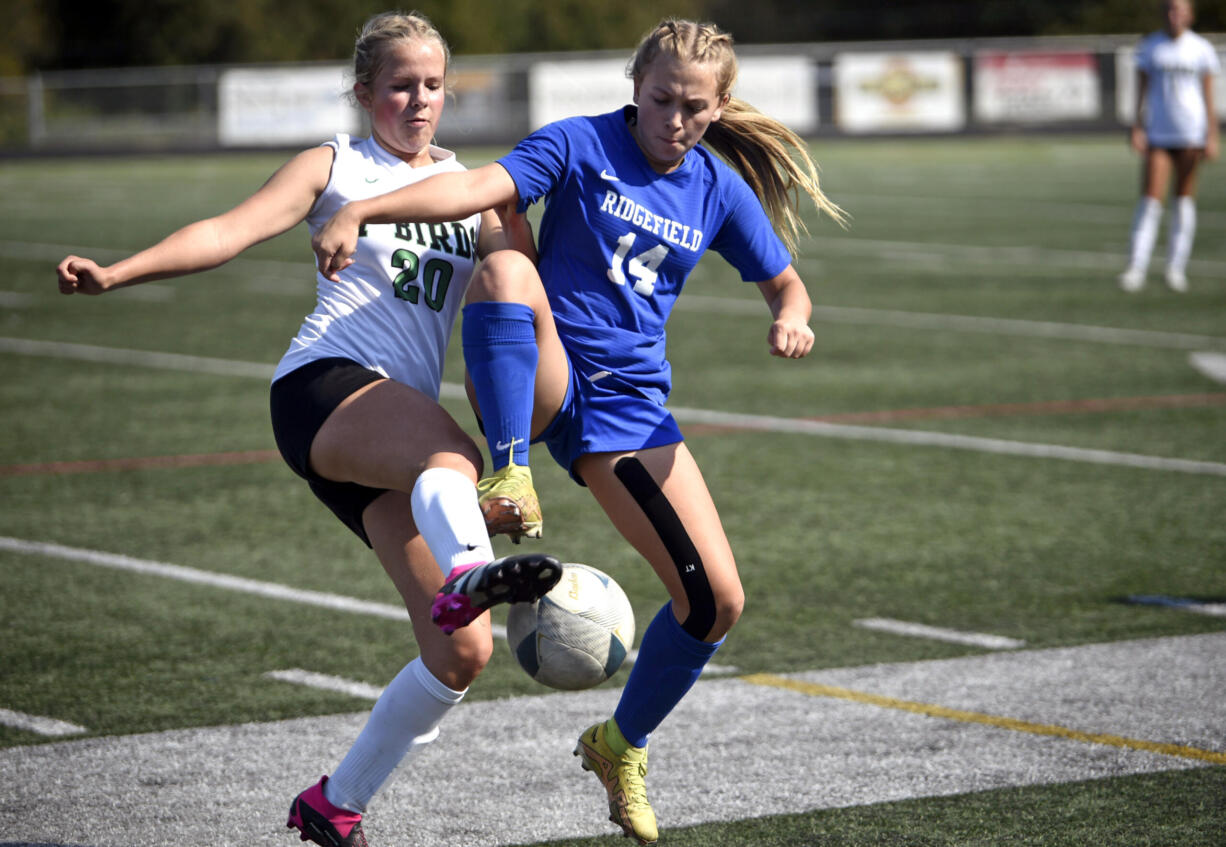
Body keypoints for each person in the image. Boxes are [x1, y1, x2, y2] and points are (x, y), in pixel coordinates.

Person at [312, 18, 844, 845]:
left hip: (638, 406)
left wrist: (792, 317)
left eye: (692, 106)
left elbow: (786, 281)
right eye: (660, 98)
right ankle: (509, 472)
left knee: (715, 602)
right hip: (552, 376)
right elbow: (473, 188)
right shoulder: (578, 144)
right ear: (635, 86)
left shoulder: (716, 186)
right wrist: (368, 210)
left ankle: (618, 745)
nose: (673, 118)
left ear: (719, 107)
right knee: (504, 268)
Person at [54, 12, 563, 847]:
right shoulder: (337, 164)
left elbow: (523, 292)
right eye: (400, 85)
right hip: (322, 389)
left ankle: (335, 802)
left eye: (433, 85)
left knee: (461, 654)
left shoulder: (471, 187)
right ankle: (473, 561)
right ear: (364, 93)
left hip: (384, 440)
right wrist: (119, 272)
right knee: (452, 457)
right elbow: (228, 229)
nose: (420, 100)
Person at [1120, 0, 1220, 293]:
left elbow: (1208, 96)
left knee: (1183, 200)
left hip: (1191, 133)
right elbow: (1140, 90)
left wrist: (1212, 134)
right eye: (1169, 9)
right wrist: (1136, 125)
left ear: (1190, 14)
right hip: (1159, 135)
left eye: (1180, 9)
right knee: (1151, 201)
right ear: (1163, 13)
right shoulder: (1151, 47)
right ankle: (1136, 267)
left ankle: (1176, 268)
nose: (1174, 15)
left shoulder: (1201, 48)